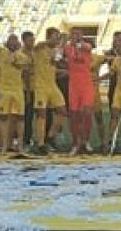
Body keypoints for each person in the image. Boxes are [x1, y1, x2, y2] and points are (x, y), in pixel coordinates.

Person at [31, 28, 67, 154]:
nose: (57, 39)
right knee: (41, 114)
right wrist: (53, 42)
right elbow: (38, 46)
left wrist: (60, 48)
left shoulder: (55, 51)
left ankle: (50, 136)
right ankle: (40, 143)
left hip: (52, 84)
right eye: (55, 36)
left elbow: (54, 62)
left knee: (62, 111)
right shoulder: (40, 48)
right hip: (40, 86)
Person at [0, 33, 30, 154]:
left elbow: (24, 70)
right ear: (7, 43)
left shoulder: (23, 56)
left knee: (19, 117)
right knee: (3, 117)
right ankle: (4, 144)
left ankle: (19, 144)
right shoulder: (1, 55)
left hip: (17, 89)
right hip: (4, 89)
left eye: (15, 40)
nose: (13, 43)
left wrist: (28, 91)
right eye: (11, 40)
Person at [63, 27, 96, 156]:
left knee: (87, 112)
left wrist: (78, 43)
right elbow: (57, 56)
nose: (75, 36)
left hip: (86, 84)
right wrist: (63, 42)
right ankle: (76, 142)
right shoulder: (67, 48)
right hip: (74, 85)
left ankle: (86, 141)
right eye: (73, 34)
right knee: (74, 115)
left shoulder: (85, 46)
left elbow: (87, 47)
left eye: (78, 34)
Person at [20, 31, 37, 148]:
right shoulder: (21, 54)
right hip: (26, 89)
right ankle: (25, 139)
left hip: (37, 87)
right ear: (24, 40)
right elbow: (25, 73)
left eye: (33, 40)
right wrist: (27, 93)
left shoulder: (35, 52)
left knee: (35, 115)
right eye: (30, 40)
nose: (32, 42)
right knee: (26, 115)